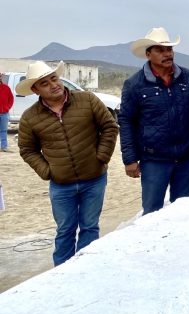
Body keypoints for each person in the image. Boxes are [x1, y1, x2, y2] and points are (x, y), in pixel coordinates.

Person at [17, 61, 118, 265]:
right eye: (45, 83)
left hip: (95, 179)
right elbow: (27, 150)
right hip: (61, 185)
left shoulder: (87, 100)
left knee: (90, 226)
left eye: (54, 78)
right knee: (65, 230)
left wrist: (101, 157)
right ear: (36, 89)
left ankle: (85, 268)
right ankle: (60, 274)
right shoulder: (29, 117)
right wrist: (47, 171)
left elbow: (109, 126)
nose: (53, 84)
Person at [119, 28, 189, 215]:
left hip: (186, 157)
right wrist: (130, 159)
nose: (167, 54)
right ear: (148, 54)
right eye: (160, 50)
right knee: (152, 211)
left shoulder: (188, 77)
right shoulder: (135, 84)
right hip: (154, 159)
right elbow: (126, 121)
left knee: (183, 210)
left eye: (170, 49)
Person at [0, 71, 13, 152]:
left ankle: (4, 147)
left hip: (4, 113)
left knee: (3, 130)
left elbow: (11, 99)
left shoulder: (6, 88)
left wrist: (7, 107)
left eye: (0, 76)